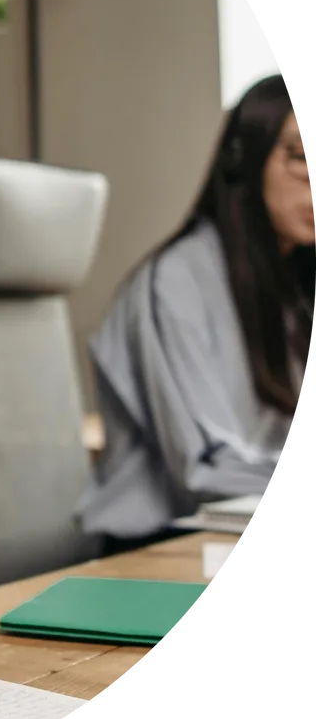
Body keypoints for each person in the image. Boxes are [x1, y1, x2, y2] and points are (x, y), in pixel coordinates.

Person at [78, 73, 312, 555]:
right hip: (155, 549)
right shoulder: (175, 282)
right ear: (243, 160)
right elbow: (204, 469)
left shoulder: (290, 287)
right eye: (299, 155)